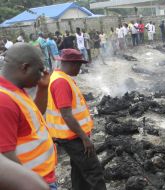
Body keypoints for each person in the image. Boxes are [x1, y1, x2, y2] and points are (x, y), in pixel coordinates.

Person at [46, 49, 107, 190]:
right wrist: (84, 138)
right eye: (79, 65)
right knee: (94, 172)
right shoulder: (61, 82)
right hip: (73, 137)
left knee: (79, 171)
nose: (80, 69)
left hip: (71, 135)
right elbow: (66, 114)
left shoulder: (60, 77)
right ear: (73, 64)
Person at [0, 43, 57, 190]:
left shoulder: (16, 90)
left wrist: (43, 88)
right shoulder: (3, 101)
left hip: (42, 178)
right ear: (25, 68)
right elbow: (6, 156)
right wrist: (32, 184)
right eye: (39, 70)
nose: (42, 74)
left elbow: (33, 116)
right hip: (34, 183)